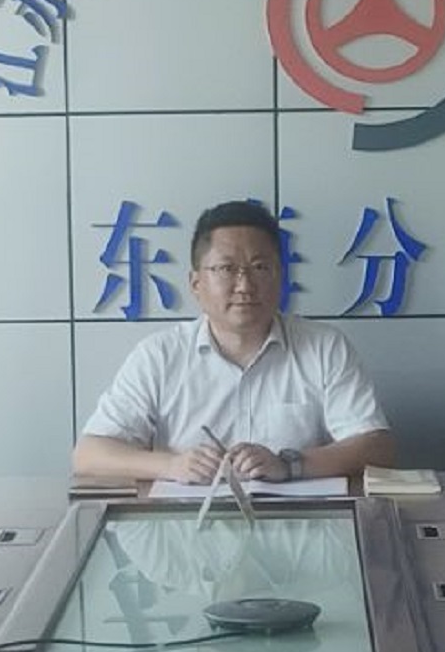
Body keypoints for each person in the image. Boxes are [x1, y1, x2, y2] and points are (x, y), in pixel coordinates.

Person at [72, 201, 399, 488]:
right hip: (185, 531)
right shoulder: (159, 356)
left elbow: (377, 447)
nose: (244, 285)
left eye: (260, 268)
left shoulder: (324, 347)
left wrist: (289, 465)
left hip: (301, 527)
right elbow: (89, 455)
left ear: (280, 277)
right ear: (196, 283)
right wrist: (171, 466)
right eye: (227, 269)